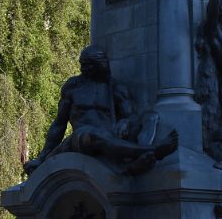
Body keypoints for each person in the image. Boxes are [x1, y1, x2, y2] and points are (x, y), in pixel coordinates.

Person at [24, 46, 178, 176]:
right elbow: (59, 125)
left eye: (89, 65)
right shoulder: (73, 86)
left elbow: (131, 116)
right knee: (94, 134)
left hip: (109, 137)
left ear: (101, 65)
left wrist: (126, 122)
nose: (84, 68)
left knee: (149, 118)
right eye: (83, 64)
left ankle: (128, 166)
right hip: (81, 138)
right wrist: (42, 157)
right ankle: (152, 150)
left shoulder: (115, 88)